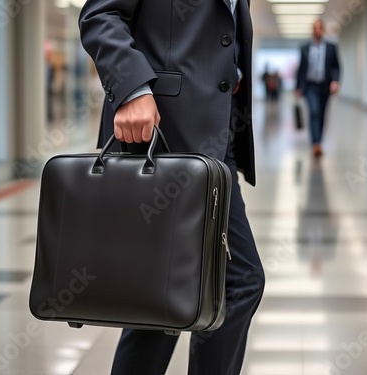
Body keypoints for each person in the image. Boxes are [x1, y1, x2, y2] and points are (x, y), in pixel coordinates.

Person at [78, 1, 265, 374]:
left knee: (167, 290)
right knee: (230, 282)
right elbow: (100, 14)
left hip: (215, 138)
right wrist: (133, 89)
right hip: (164, 136)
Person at [295, 19, 341, 157]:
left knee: (321, 114)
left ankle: (318, 141)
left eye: (320, 28)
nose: (318, 30)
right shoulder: (305, 48)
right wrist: (298, 87)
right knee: (314, 111)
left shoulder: (331, 47)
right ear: (312, 30)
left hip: (325, 86)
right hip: (310, 86)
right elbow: (301, 69)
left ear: (323, 30)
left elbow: (336, 66)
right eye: (315, 28)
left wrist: (335, 81)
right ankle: (315, 143)